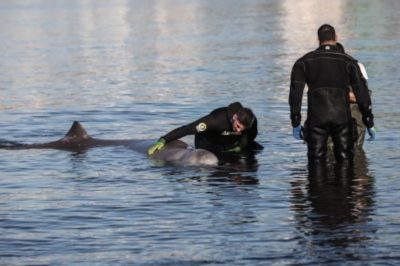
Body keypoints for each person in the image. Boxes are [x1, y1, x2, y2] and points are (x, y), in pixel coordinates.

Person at [289, 24, 376, 164]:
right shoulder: (350, 62)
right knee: (345, 161)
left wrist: (296, 122)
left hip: (317, 119)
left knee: (316, 161)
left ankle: (316, 185)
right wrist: (368, 120)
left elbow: (295, 95)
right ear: (336, 38)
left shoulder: (303, 62)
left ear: (318, 39)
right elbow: (362, 94)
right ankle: (345, 184)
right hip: (342, 118)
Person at [147, 102, 260, 156]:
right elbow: (188, 129)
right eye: (238, 126)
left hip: (229, 141)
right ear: (235, 117)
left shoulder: (250, 122)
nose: (239, 130)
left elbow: (250, 136)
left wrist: (240, 146)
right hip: (208, 142)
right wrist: (163, 139)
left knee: (256, 150)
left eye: (242, 129)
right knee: (218, 162)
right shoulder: (216, 120)